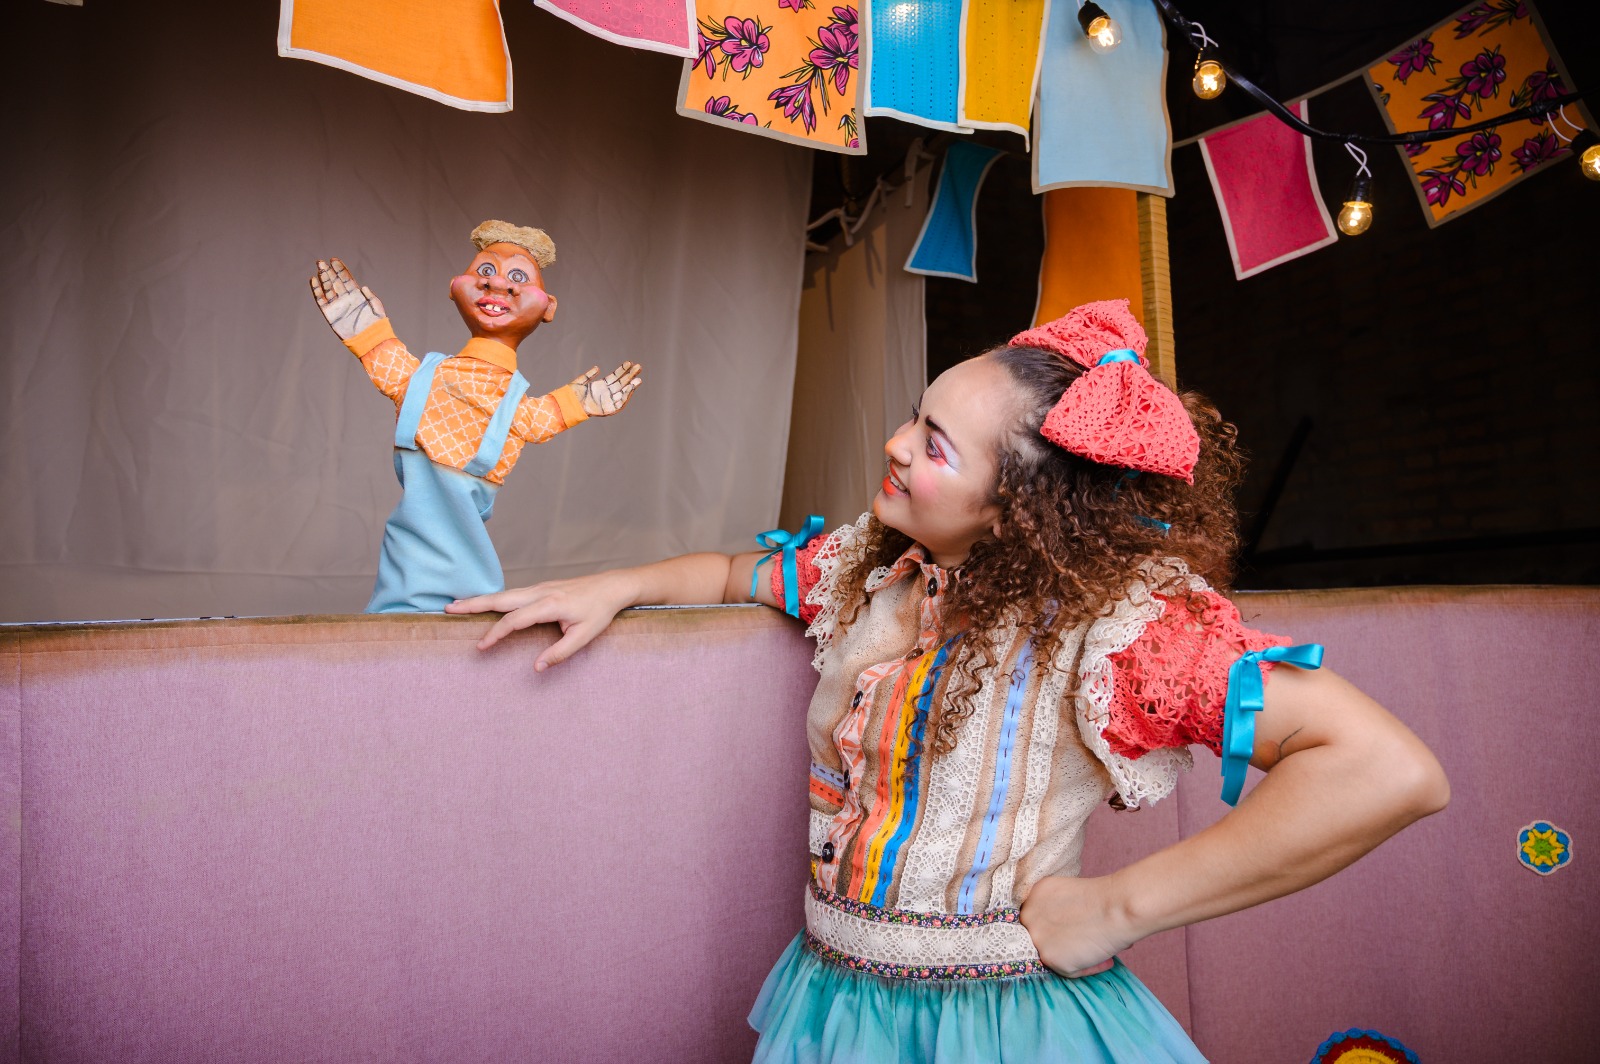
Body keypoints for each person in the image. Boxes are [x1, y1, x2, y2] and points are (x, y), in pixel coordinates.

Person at [447, 299, 1449, 1062]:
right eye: (912, 416)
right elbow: (729, 572)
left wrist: (1120, 906)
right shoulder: (875, 570)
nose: (894, 444)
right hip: (839, 1007)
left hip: (1003, 1029)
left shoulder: (1113, 632)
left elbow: (1386, 769)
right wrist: (613, 585)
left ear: (1015, 507)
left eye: (932, 444)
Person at [309, 220, 642, 613]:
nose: (498, 284)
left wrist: (576, 404)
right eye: (486, 270)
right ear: (455, 286)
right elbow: (390, 363)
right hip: (405, 583)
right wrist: (367, 332)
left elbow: (538, 417)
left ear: (547, 306)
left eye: (518, 277)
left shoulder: (513, 407)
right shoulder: (421, 380)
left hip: (472, 590)